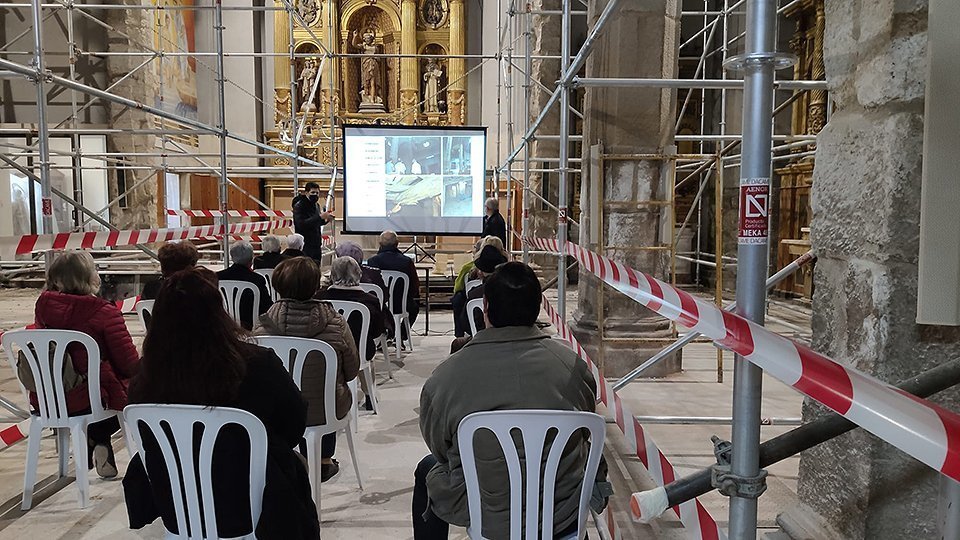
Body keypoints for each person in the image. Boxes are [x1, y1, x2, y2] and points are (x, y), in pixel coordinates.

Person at [123, 269, 320, 539]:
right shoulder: (258, 364)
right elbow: (295, 424)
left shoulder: (145, 375)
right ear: (219, 314)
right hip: (249, 502)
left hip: (177, 500)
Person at [414, 262, 598, 539]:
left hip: (488, 515)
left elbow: (441, 450)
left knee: (428, 467)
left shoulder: (445, 378)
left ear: (485, 308)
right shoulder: (573, 367)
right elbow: (585, 429)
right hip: (562, 515)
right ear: (538, 307)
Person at [30, 251, 139, 479]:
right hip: (90, 398)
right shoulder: (104, 312)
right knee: (134, 393)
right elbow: (128, 363)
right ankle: (99, 438)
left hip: (49, 397)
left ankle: (96, 440)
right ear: (90, 276)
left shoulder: (43, 305)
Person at [254, 257, 360, 482]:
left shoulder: (261, 326)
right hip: (324, 411)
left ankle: (288, 458)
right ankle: (323, 461)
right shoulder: (337, 323)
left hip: (276, 412)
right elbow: (352, 371)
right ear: (316, 286)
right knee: (327, 392)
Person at [316, 256, 386, 411]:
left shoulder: (319, 298)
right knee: (367, 354)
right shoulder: (370, 300)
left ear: (332, 276)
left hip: (324, 351)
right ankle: (369, 394)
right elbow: (376, 332)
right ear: (359, 274)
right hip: (360, 352)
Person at [450, 236, 509, 337]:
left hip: (480, 338)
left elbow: (466, 323)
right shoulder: (510, 292)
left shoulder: (474, 293)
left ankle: (458, 335)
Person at [366, 231, 420, 337]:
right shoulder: (407, 261)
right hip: (401, 304)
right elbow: (414, 286)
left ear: (380, 244)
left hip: (379, 304)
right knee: (414, 308)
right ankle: (401, 335)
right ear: (397, 243)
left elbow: (371, 285)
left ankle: (383, 335)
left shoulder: (372, 261)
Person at [216, 241, 273, 330]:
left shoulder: (218, 277)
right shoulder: (257, 279)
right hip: (251, 326)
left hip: (225, 325)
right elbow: (266, 307)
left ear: (232, 257)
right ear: (251, 259)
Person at [292, 181, 334, 260]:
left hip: (316, 244)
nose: (315, 195)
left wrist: (326, 220)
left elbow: (316, 222)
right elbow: (301, 224)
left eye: (317, 193)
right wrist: (320, 217)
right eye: (313, 192)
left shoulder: (316, 205)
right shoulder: (299, 206)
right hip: (305, 244)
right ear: (306, 193)